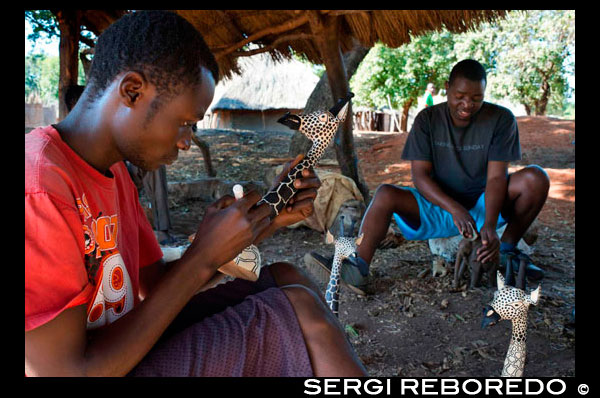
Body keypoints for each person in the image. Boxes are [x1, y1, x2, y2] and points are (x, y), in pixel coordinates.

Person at [25, 10, 367, 377]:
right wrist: (202, 256)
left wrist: (265, 218)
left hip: (119, 347)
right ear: (132, 91)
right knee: (297, 312)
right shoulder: (41, 187)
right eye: (186, 122)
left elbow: (154, 285)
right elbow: (60, 372)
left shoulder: (113, 173)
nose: (188, 141)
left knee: (286, 276)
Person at [307, 59, 549, 293]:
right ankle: (358, 268)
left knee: (536, 178)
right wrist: (454, 209)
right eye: (460, 96)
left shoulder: (501, 119)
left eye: (476, 98)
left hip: (484, 204)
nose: (467, 104)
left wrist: (488, 225)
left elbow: (497, 178)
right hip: (438, 206)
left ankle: (506, 252)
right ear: (447, 88)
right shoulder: (428, 120)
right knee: (385, 194)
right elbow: (420, 177)